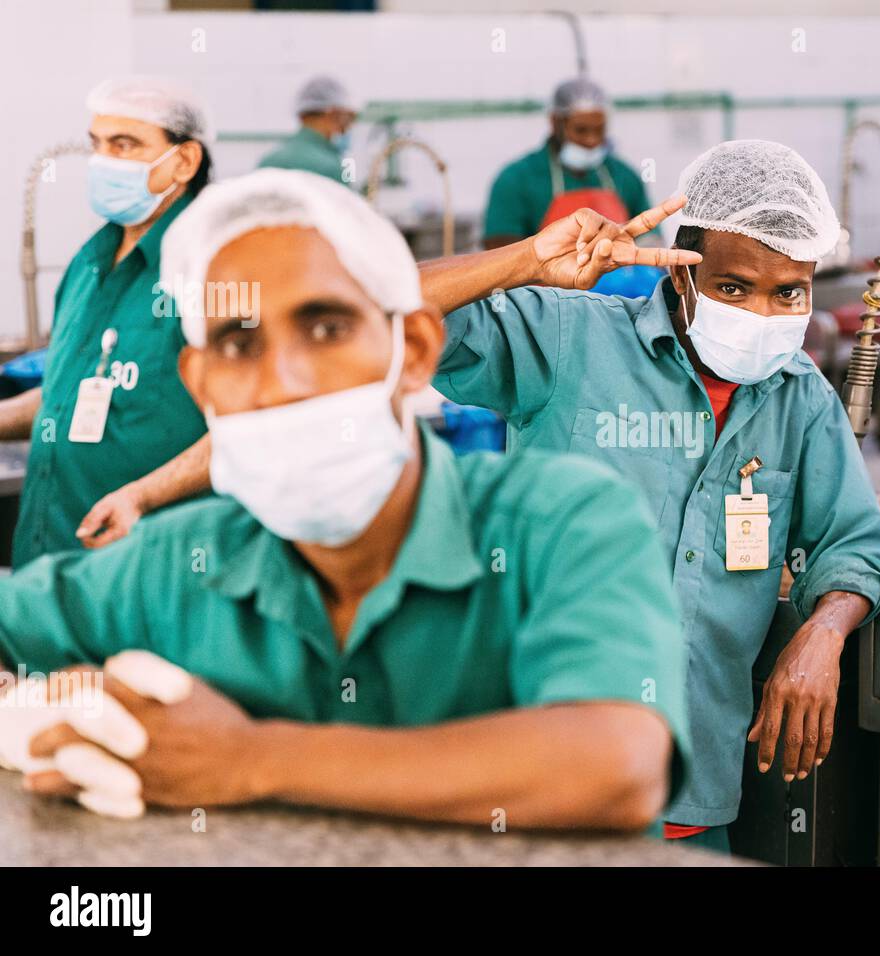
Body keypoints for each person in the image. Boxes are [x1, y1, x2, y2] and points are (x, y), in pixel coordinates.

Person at [0, 169, 689, 830]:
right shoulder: (179, 564)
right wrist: (30, 707)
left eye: (326, 329)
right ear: (201, 382)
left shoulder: (560, 522)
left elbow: (616, 762)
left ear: (413, 348)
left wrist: (248, 760)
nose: (286, 378)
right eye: (240, 345)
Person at [421, 139, 880, 852]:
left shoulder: (800, 399)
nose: (763, 312)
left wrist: (824, 632)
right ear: (681, 276)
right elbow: (373, 311)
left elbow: (853, 546)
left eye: (787, 292)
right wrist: (526, 263)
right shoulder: (567, 340)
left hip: (691, 789)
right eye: (734, 287)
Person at [0, 76, 213, 567]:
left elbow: (253, 428)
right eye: (97, 144)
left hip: (150, 567)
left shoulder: (215, 267)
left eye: (126, 144)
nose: (103, 161)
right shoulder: (88, 262)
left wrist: (143, 496)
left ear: (184, 160)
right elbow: (67, 392)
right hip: (51, 556)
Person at [482, 77, 651, 249]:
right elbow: (500, 253)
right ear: (555, 123)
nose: (591, 140)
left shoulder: (623, 176)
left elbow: (649, 238)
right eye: (581, 130)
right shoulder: (516, 179)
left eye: (599, 130)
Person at [258, 75, 356, 184]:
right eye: (346, 119)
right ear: (332, 114)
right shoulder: (335, 169)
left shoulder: (267, 163)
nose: (347, 128)